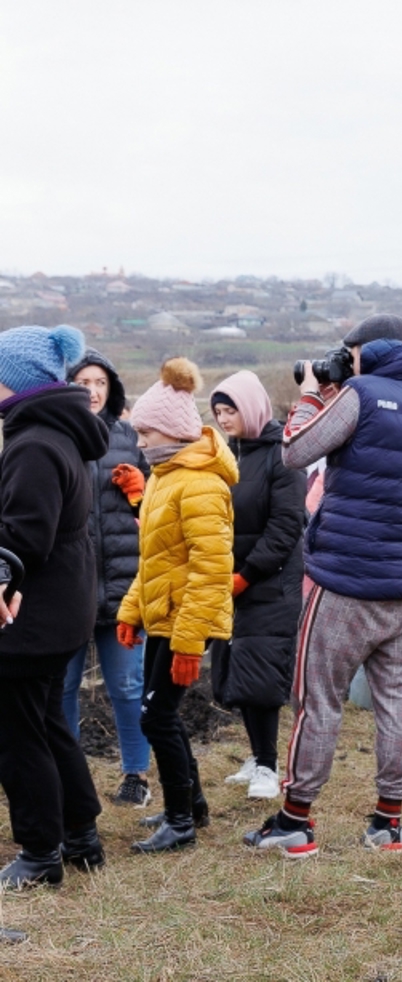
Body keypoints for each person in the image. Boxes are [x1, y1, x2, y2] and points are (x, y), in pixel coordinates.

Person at [244, 314, 402, 856]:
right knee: (396, 701)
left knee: (318, 699)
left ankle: (295, 821)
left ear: (367, 351)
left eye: (348, 351)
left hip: (345, 579)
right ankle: (389, 823)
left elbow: (294, 451)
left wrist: (313, 393)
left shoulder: (360, 393)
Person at [0, 325, 109, 889]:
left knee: (18, 735)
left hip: (30, 617)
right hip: (62, 608)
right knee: (46, 723)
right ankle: (82, 836)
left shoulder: (35, 443)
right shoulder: (56, 433)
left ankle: (41, 852)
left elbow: (23, 537)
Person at [117, 357, 237, 853]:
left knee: (155, 716)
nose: (140, 443)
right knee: (159, 714)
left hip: (186, 621)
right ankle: (192, 806)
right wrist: (131, 609)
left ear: (169, 433)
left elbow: (211, 574)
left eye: (146, 434)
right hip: (164, 615)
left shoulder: (202, 484)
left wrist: (189, 643)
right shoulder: (167, 475)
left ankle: (181, 821)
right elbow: (156, 558)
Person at [208, 371, 307, 801]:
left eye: (231, 410)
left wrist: (245, 575)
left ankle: (269, 767)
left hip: (271, 584)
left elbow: (286, 526)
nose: (223, 419)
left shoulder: (282, 456)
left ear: (250, 409)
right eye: (218, 412)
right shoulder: (225, 455)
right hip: (231, 583)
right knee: (238, 671)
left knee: (262, 676)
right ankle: (256, 756)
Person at [62, 348, 153, 807]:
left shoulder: (131, 438)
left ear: (112, 389)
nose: (92, 391)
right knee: (61, 690)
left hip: (124, 588)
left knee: (127, 687)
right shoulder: (58, 438)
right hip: (68, 592)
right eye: (83, 383)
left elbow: (158, 512)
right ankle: (65, 775)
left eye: (99, 383)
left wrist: (141, 491)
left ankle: (136, 774)